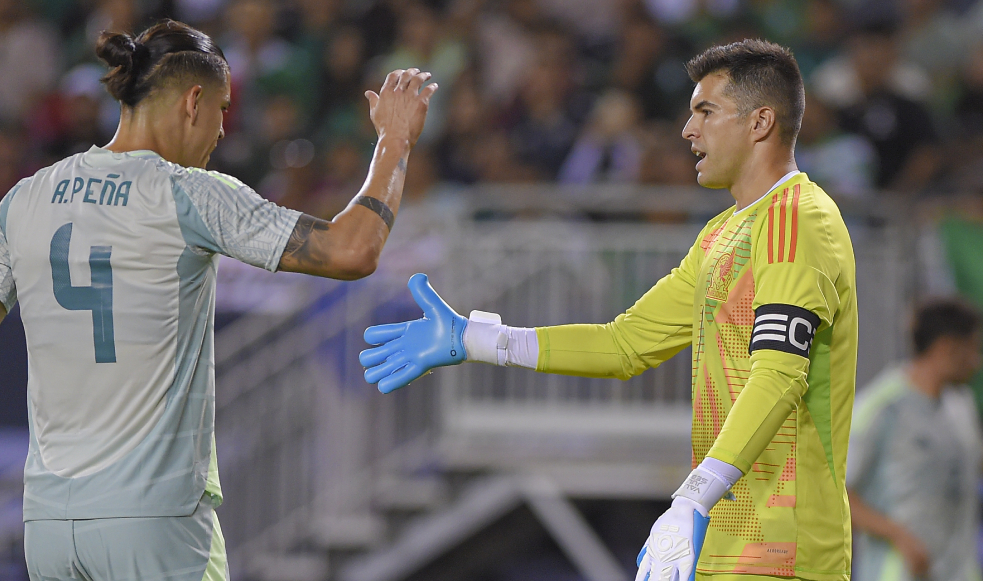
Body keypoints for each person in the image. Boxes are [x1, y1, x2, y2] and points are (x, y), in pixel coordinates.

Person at [0, 19, 437, 581]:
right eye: (223, 110)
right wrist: (394, 142)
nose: (223, 131)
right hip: (155, 523)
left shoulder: (24, 199)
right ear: (193, 101)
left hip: (52, 530)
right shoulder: (190, 194)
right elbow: (351, 250)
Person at [361, 39, 857, 581]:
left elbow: (779, 373)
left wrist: (692, 498)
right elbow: (625, 344)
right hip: (718, 545)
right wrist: (477, 340)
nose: (687, 131)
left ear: (761, 121)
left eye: (705, 112)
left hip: (785, 550)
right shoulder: (721, 233)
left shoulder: (798, 220)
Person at [848, 299, 983, 581]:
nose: (977, 362)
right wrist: (898, 535)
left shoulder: (962, 406)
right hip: (897, 574)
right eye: (973, 348)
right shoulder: (881, 408)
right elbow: (839, 493)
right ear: (947, 347)